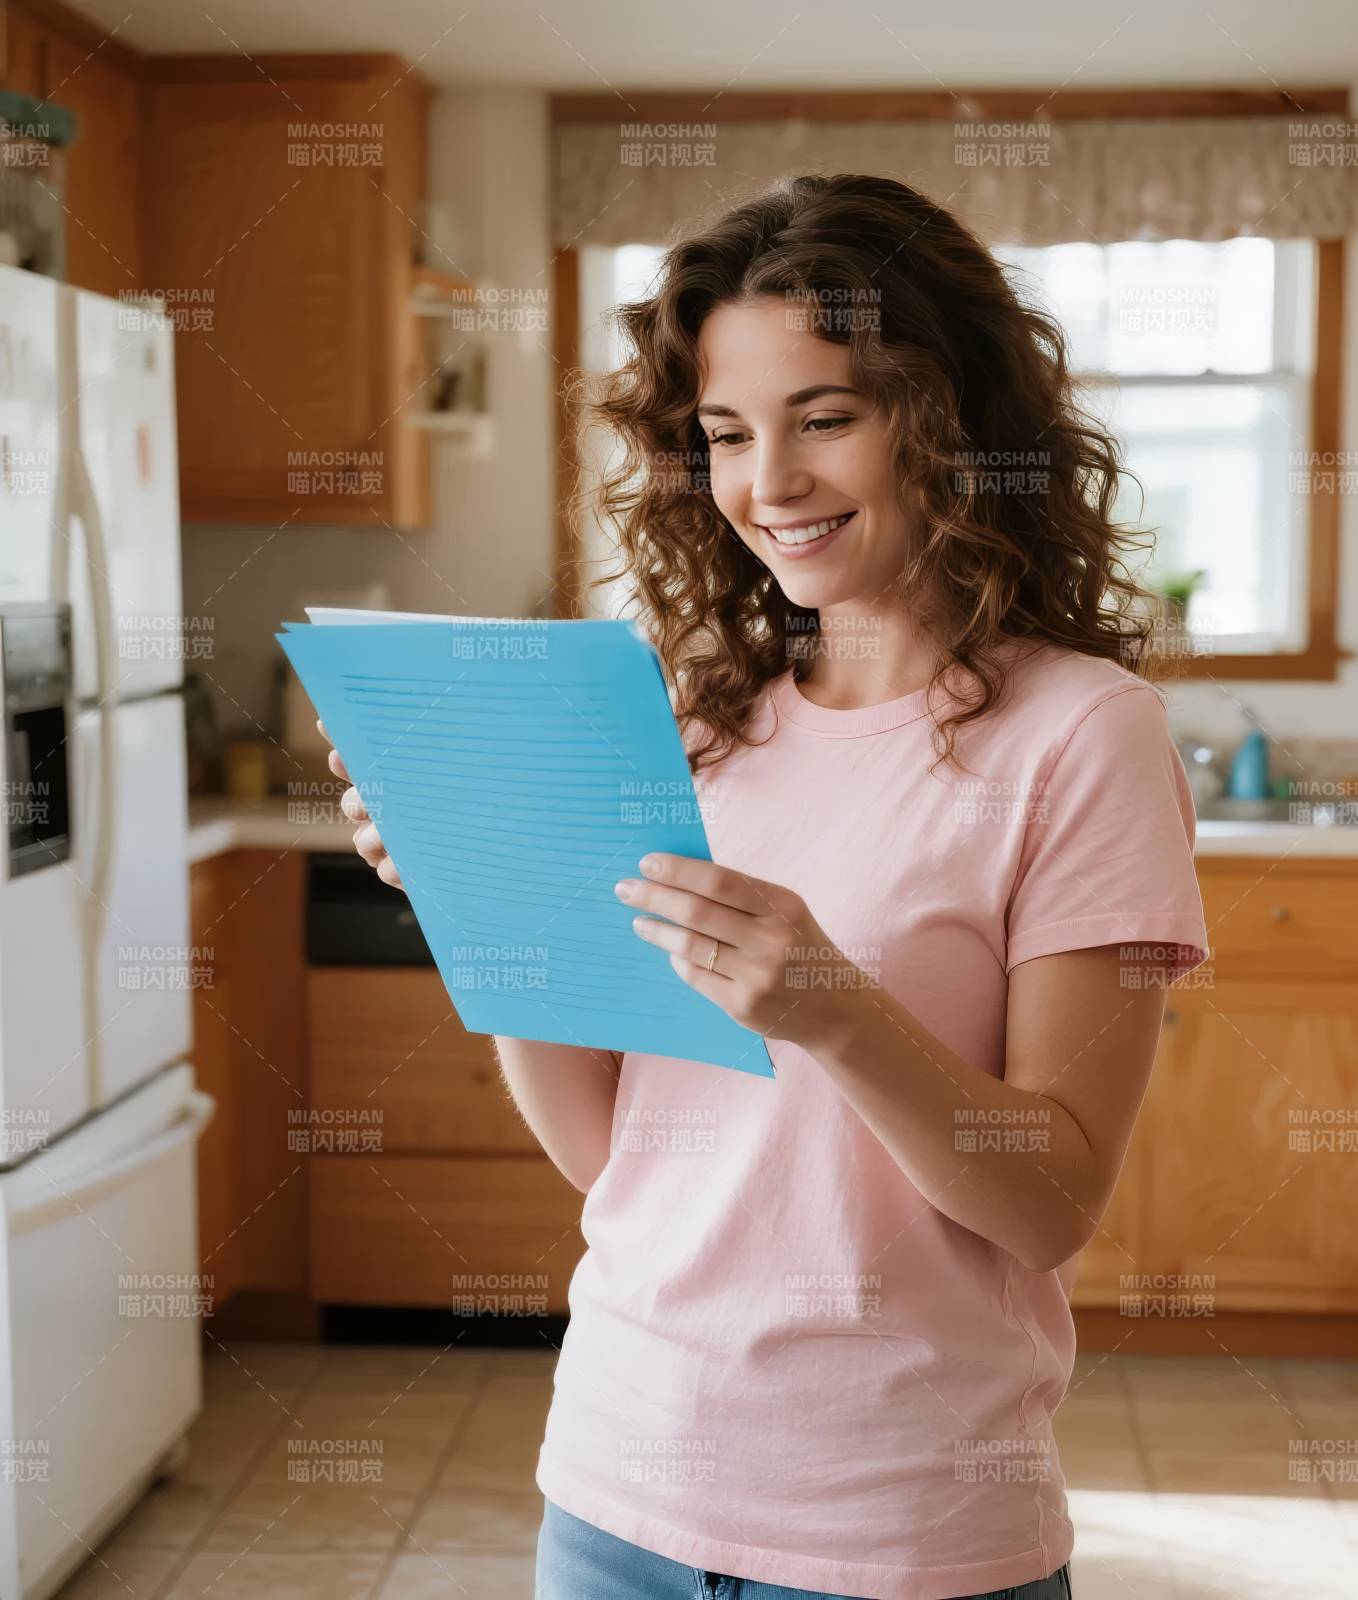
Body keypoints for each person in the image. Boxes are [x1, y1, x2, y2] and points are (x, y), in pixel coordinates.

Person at [325, 172, 1208, 1600]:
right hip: (615, 1489)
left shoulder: (1081, 734)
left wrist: (834, 1012)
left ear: (953, 420)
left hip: (901, 1528)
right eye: (727, 435)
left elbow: (1049, 1205)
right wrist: (489, 902)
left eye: (828, 418)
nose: (770, 485)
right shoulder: (687, 716)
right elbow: (614, 1160)